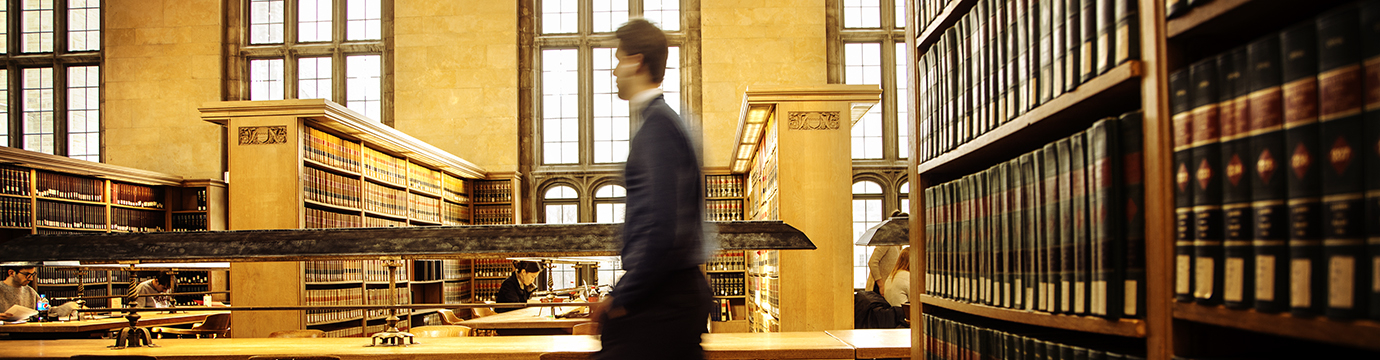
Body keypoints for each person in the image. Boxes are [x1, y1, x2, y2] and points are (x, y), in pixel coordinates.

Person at [592, 18, 713, 360]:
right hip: (672, 296)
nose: (615, 71)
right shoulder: (664, 122)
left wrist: (620, 297)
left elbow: (661, 228)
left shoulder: (657, 129)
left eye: (618, 59)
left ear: (637, 61)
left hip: (663, 301)